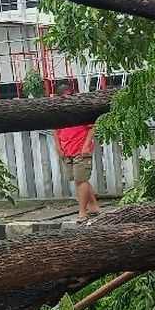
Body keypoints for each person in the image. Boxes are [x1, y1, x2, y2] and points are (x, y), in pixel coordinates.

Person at [54, 84, 102, 220]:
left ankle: (82, 211)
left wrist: (86, 145)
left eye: (69, 96)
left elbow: (92, 127)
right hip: (67, 149)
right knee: (79, 179)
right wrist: (58, 147)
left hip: (80, 149)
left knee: (81, 180)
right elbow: (55, 131)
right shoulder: (56, 112)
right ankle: (93, 206)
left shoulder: (81, 110)